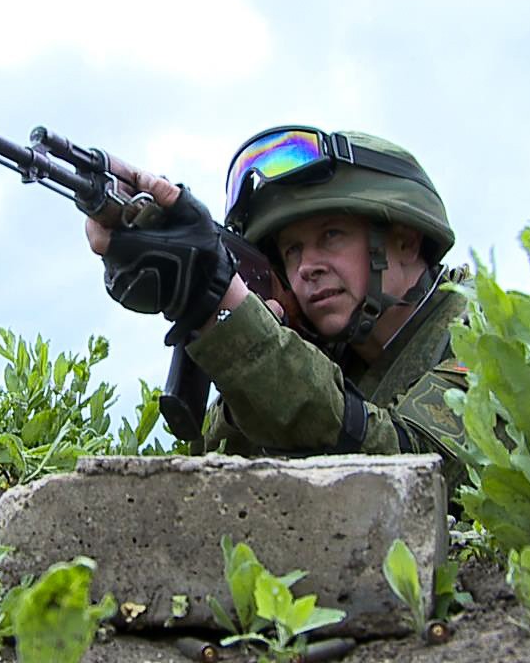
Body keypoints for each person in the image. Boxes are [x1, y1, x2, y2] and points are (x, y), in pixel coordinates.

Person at [86, 126, 467, 485]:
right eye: (292, 250)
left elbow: (415, 468)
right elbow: (221, 469)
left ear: (405, 242)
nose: (306, 267)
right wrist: (218, 321)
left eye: (331, 235)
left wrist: (234, 310)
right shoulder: (331, 352)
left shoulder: (481, 335)